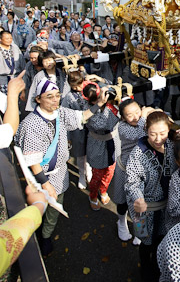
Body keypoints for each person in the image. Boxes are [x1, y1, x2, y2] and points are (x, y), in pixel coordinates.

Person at [15, 78, 109, 255]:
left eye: (57, 95)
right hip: (39, 177)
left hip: (59, 173)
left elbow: (81, 116)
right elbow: (33, 160)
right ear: (38, 99)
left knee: (54, 209)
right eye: (49, 96)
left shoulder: (60, 112)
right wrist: (45, 182)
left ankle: (46, 236)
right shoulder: (31, 124)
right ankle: (36, 233)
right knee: (37, 206)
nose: (55, 99)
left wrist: (99, 104)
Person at [125, 111, 177, 280]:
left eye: (162, 133)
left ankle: (157, 265)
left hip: (166, 204)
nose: (157, 138)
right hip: (144, 206)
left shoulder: (172, 146)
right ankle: (145, 268)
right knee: (144, 239)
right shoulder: (138, 153)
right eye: (153, 134)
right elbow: (132, 181)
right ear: (146, 130)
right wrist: (138, 198)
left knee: (161, 238)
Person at [114, 98, 154, 242]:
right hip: (124, 168)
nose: (135, 117)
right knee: (122, 200)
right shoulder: (122, 127)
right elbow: (142, 136)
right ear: (123, 117)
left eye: (137, 112)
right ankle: (121, 222)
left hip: (142, 171)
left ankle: (139, 230)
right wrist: (143, 116)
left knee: (139, 202)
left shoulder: (144, 121)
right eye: (129, 115)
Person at [84, 81, 119, 211]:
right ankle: (93, 195)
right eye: (95, 99)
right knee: (97, 174)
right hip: (97, 145)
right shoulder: (87, 110)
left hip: (113, 142)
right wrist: (106, 105)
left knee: (110, 172)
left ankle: (103, 191)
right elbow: (104, 124)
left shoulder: (110, 105)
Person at [61, 70, 90, 190]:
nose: (78, 88)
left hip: (91, 128)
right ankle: (82, 175)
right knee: (80, 155)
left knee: (90, 152)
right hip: (77, 129)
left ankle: (89, 171)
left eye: (80, 84)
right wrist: (67, 137)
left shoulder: (88, 90)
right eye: (75, 86)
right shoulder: (68, 97)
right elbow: (64, 116)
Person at [0, 30, 25, 95]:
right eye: (7, 38)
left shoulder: (15, 47)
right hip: (2, 80)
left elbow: (22, 62)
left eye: (11, 38)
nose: (9, 40)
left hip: (16, 78)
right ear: (0, 39)